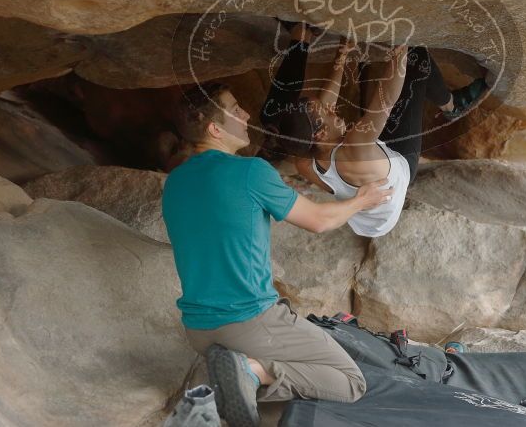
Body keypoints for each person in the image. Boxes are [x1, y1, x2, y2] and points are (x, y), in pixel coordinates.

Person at [162, 83, 393, 427]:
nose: (245, 114)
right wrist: (363, 200)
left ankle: (230, 383)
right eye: (235, 108)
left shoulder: (176, 181)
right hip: (250, 320)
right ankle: (250, 371)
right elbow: (317, 221)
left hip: (199, 329)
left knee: (288, 387)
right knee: (349, 380)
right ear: (215, 129)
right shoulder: (250, 171)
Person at [262, 22, 488, 238]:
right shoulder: (355, 147)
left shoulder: (305, 158)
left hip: (366, 214)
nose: (333, 110)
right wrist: (401, 48)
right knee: (417, 57)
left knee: (361, 144)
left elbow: (326, 103)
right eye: (327, 113)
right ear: (320, 134)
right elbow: (386, 99)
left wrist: (343, 53)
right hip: (398, 166)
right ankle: (452, 105)